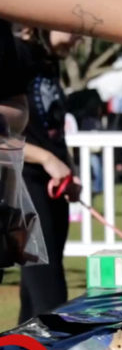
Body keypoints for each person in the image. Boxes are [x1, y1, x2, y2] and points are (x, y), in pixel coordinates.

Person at [14, 26, 82, 322]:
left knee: (35, 296)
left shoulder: (49, 61)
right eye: (73, 29)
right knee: (51, 296)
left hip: (51, 182)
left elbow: (51, 128)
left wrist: (69, 168)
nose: (79, 39)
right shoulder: (15, 54)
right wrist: (46, 158)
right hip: (21, 181)